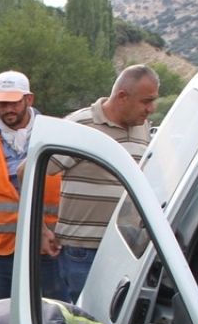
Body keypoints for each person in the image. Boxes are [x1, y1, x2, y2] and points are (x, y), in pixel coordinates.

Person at [55, 65, 160, 302]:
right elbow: (30, 171)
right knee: (87, 323)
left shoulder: (143, 128)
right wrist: (41, 228)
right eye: (146, 101)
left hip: (126, 248)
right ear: (122, 97)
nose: (151, 108)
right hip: (83, 250)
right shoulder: (80, 125)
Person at [0, 71, 63, 301]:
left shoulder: (54, 136)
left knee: (54, 314)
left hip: (49, 249)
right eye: (1, 103)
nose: (7, 109)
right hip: (0, 253)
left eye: (13, 102)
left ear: (29, 99)